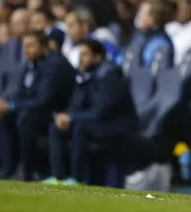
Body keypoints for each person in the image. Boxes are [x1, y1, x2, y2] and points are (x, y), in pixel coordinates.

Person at [43, 39, 138, 185]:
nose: (81, 58)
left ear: (98, 56)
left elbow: (103, 111)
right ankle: (59, 177)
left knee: (80, 129)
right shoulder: (85, 74)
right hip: (94, 119)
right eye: (80, 54)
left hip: (117, 124)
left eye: (86, 54)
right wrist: (67, 116)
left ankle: (77, 179)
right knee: (56, 127)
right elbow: (76, 103)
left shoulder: (110, 75)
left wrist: (73, 118)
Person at [0, 30, 76, 180]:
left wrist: (13, 105)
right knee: (3, 117)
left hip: (56, 112)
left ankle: (28, 171)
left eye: (31, 45)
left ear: (43, 47)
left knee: (25, 119)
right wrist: (4, 103)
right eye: (24, 46)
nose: (26, 49)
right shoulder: (29, 65)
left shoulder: (53, 65)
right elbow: (19, 92)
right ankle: (7, 168)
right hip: (34, 109)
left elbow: (43, 100)